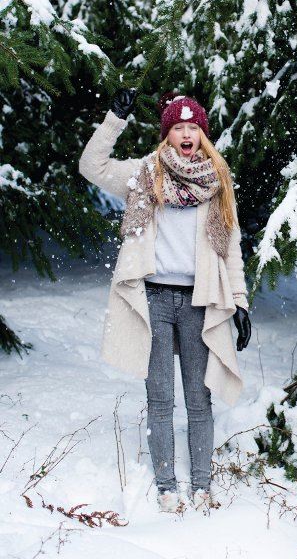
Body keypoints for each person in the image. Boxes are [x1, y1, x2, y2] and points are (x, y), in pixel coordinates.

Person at [78, 88, 252, 514]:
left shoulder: (217, 181)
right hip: (153, 299)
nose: (186, 134)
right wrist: (114, 120)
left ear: (203, 134)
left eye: (193, 127)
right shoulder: (144, 174)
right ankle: (166, 488)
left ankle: (202, 486)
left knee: (199, 398)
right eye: (178, 127)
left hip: (198, 301)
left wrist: (240, 301)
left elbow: (230, 248)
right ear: (167, 134)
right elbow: (91, 166)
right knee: (159, 398)